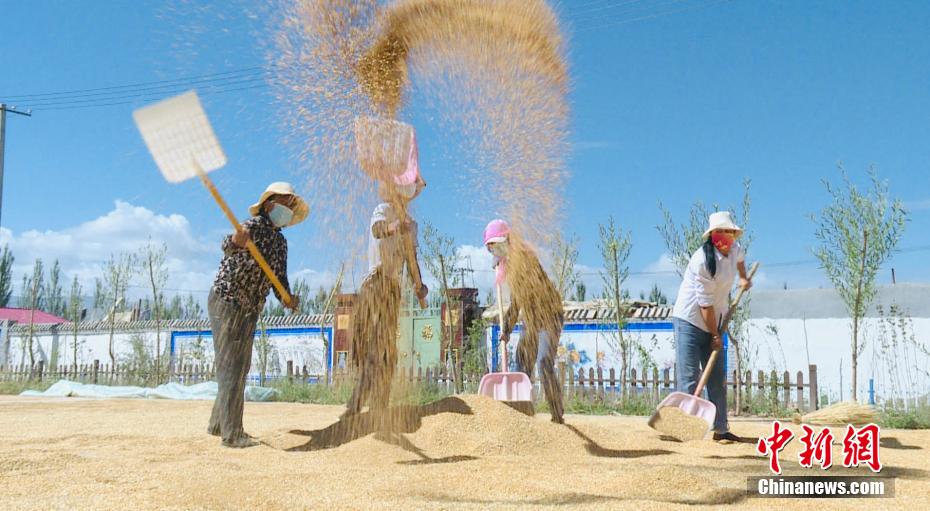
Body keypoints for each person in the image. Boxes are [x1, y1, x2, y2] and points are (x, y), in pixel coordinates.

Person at [208, 182, 308, 448]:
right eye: (285, 203)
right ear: (268, 205)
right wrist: (234, 241)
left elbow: (278, 280)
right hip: (227, 300)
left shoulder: (280, 242)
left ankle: (219, 423)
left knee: (240, 367)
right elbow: (227, 247)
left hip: (251, 307)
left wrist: (288, 298)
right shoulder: (249, 228)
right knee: (230, 365)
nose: (288, 209)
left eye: (291, 205)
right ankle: (233, 434)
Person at [344, 162, 428, 418]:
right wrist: (394, 227)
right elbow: (378, 230)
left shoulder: (412, 225)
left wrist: (418, 285)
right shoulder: (383, 211)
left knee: (386, 349)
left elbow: (411, 259)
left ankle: (380, 404)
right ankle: (356, 404)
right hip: (374, 283)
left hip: (392, 288)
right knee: (371, 346)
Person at [671, 211, 752, 443]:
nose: (726, 236)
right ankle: (683, 430)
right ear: (713, 235)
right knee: (689, 377)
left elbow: (740, 261)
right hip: (689, 320)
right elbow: (704, 304)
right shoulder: (702, 261)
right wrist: (714, 336)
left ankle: (721, 429)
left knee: (717, 378)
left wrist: (743, 279)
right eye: (721, 232)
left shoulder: (735, 249)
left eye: (729, 232)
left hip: (714, 320)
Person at [485, 219, 565, 424]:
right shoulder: (509, 264)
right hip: (531, 320)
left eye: (497, 246)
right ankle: (522, 414)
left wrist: (508, 328)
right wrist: (507, 329)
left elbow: (521, 296)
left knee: (544, 362)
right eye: (491, 249)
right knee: (521, 364)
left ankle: (557, 414)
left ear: (507, 240)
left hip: (549, 316)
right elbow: (515, 303)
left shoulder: (525, 258)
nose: (494, 251)